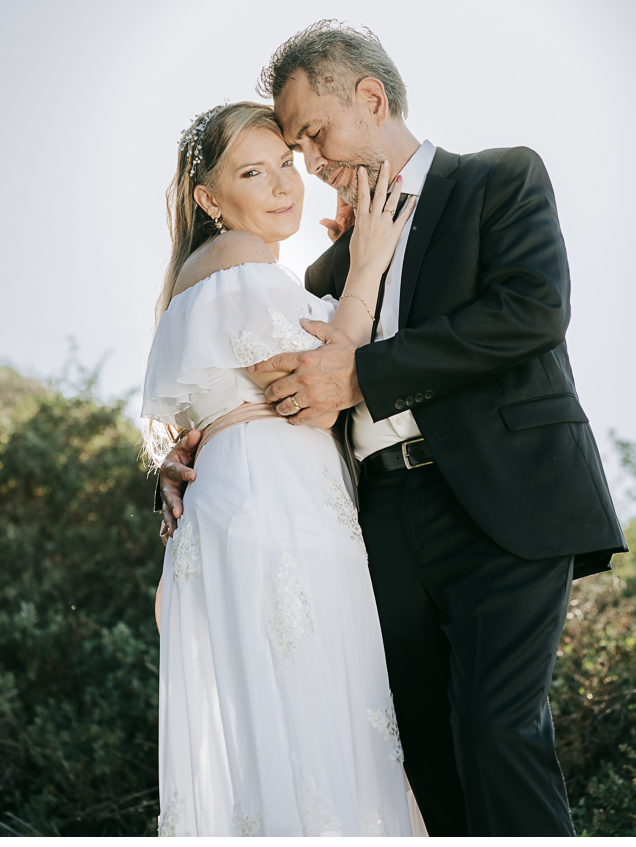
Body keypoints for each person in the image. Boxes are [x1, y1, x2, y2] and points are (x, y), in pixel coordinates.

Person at [160, 21, 628, 837]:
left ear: (371, 99)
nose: (307, 162)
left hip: (505, 502)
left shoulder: (499, 179)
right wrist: (174, 448)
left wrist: (365, 373)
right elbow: (226, 380)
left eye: (312, 134)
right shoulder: (326, 272)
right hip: (377, 525)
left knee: (496, 728)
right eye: (290, 147)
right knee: (419, 754)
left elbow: (531, 311)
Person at [143, 100, 418, 837]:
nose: (282, 185)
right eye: (253, 172)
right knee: (308, 713)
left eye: (288, 165)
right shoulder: (234, 260)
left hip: (279, 497)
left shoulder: (257, 271)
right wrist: (366, 266)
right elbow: (315, 377)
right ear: (209, 199)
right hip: (271, 507)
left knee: (310, 715)